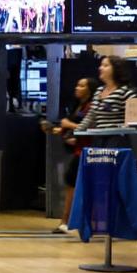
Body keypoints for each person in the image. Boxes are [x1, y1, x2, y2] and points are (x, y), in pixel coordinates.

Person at [46, 77, 97, 234]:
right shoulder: (78, 106)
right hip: (78, 149)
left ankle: (67, 221)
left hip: (87, 150)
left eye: (82, 85)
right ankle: (72, 221)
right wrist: (57, 130)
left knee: (72, 181)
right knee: (73, 182)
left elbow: (88, 128)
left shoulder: (92, 107)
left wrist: (68, 126)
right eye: (77, 84)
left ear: (90, 90)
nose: (77, 88)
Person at [78, 57, 137, 132]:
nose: (100, 68)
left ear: (116, 70)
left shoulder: (125, 92)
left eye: (105, 65)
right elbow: (90, 117)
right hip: (99, 137)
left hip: (118, 138)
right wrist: (76, 132)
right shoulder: (99, 91)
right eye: (101, 65)